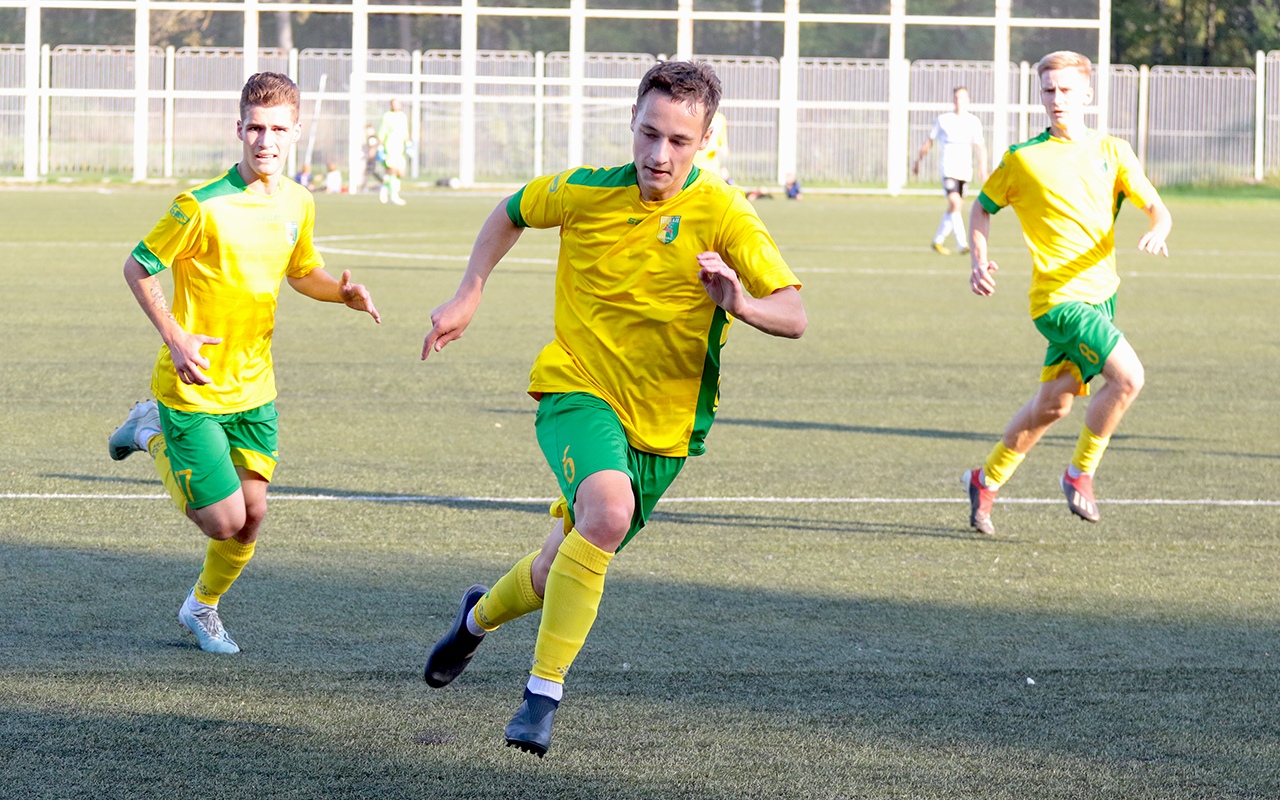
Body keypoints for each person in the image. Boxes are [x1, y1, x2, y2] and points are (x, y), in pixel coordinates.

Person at [419, 60, 807, 757]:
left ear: (706, 140)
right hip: (577, 388)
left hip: (665, 428)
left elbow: (794, 314)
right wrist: (470, 291)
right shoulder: (584, 191)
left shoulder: (724, 212)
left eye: (679, 141)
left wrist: (741, 303)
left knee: (558, 567)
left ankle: (474, 623)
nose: (660, 154)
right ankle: (541, 697)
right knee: (607, 514)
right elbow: (510, 212)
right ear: (632, 121)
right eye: (649, 134)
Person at [107, 72, 381, 654]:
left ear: (296, 132)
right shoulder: (200, 206)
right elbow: (138, 266)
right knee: (222, 522)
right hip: (195, 386)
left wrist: (341, 294)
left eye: (278, 129)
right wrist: (175, 335)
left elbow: (301, 271)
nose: (266, 141)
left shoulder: (299, 201)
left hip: (255, 389)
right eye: (256, 127)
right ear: (239, 129)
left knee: (252, 517)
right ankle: (149, 429)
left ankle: (201, 606)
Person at [963, 50, 1171, 536]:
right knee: (1128, 378)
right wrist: (978, 259)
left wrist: (1159, 227)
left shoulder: (1113, 151)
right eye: (1048, 90)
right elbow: (982, 207)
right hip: (1057, 301)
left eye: (1066, 90)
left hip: (1101, 299)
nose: (1056, 99)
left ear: (1087, 95)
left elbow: (1156, 207)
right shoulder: (1022, 158)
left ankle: (985, 479)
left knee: (1053, 406)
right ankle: (1080, 473)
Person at [912, 86, 987, 255]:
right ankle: (962, 244)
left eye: (962, 97)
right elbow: (929, 141)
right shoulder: (944, 120)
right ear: (953, 99)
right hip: (948, 168)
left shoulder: (973, 121)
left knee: (955, 207)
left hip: (965, 170)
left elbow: (980, 146)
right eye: (956, 97)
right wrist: (918, 161)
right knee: (955, 203)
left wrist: (983, 168)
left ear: (968, 100)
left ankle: (937, 241)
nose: (958, 101)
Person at [377, 98, 411, 205]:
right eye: (393, 104)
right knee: (392, 171)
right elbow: (382, 131)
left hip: (400, 148)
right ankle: (394, 196)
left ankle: (384, 186)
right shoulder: (387, 116)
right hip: (390, 147)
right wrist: (380, 147)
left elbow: (405, 132)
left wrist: (408, 144)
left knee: (400, 173)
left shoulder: (403, 116)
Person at [692, 109, 730, 182]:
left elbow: (723, 144)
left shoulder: (720, 119)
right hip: (692, 166)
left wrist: (723, 149)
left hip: (711, 167)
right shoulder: (693, 115)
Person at [362, 124, 382, 193]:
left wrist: (370, 155)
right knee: (370, 172)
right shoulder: (371, 138)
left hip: (372, 158)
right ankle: (364, 186)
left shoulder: (372, 138)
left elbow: (373, 148)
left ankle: (383, 182)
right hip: (372, 157)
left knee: (370, 172)